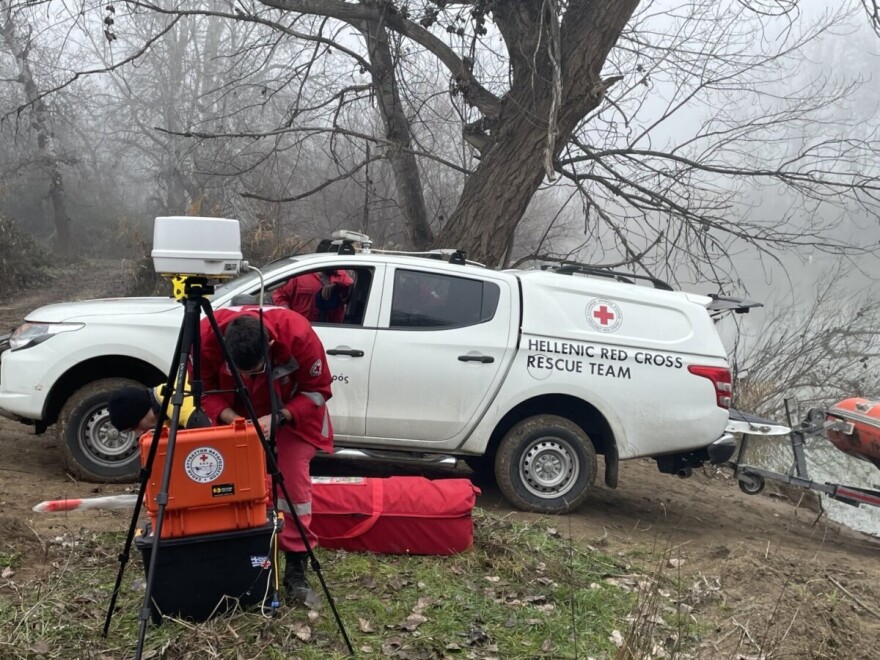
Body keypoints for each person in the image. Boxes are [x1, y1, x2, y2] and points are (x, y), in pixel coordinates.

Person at [197, 307, 333, 607]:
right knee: (239, 487)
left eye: (254, 371)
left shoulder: (298, 335)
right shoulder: (206, 337)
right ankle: (248, 559)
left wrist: (281, 417)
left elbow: (318, 390)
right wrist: (232, 419)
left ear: (270, 347)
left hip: (292, 417)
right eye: (239, 372)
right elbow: (203, 390)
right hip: (237, 418)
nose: (246, 377)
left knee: (292, 490)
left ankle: (296, 566)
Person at [107, 380, 210, 435]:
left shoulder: (178, 407)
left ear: (142, 411)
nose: (139, 433)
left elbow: (210, 439)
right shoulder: (163, 396)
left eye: (135, 427)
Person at [271, 269, 353, 324]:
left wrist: (337, 286)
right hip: (305, 328)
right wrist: (289, 317)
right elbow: (280, 296)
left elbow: (353, 291)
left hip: (334, 329)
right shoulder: (300, 275)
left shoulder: (341, 276)